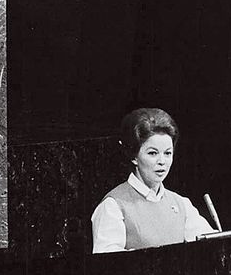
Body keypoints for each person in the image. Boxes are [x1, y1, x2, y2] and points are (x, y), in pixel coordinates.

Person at [91, 108, 214, 253]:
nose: (162, 161)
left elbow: (211, 245)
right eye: (153, 153)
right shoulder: (113, 206)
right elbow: (107, 263)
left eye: (167, 153)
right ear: (134, 156)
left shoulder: (181, 204)